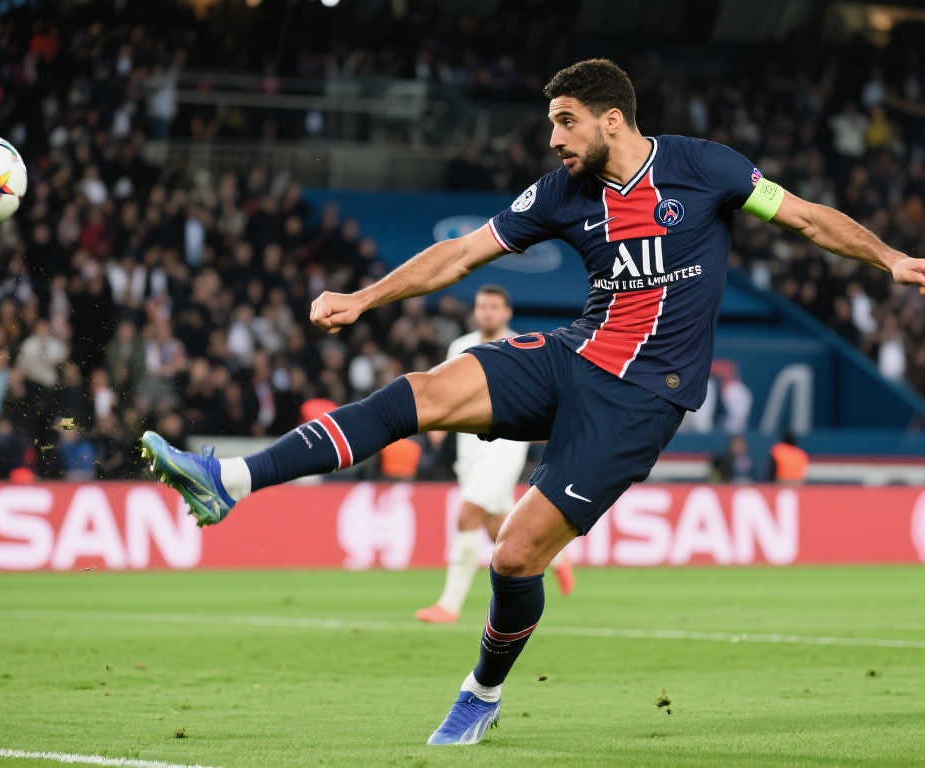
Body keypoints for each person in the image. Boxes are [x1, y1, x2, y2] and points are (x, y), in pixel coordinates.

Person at [140, 59, 925, 745]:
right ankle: (230, 479)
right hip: (574, 355)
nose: (553, 138)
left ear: (611, 119)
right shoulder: (561, 193)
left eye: (565, 121)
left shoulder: (704, 167)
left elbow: (807, 218)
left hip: (641, 400)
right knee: (421, 391)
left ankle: (481, 693)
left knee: (514, 556)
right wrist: (364, 298)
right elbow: (462, 253)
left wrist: (888, 258)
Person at [416, 285, 573, 625]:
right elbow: (444, 392)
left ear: (506, 312)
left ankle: (449, 605)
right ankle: (557, 558)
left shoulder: (524, 347)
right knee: (497, 530)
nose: (486, 312)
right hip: (469, 451)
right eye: (482, 306)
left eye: (493, 307)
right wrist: (437, 424)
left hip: (504, 449)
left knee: (467, 515)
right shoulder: (460, 346)